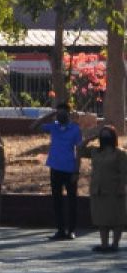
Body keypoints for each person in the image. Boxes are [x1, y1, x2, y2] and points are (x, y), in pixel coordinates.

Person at [32, 102, 89, 241]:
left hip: (69, 169)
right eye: (58, 113)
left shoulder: (75, 129)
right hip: (55, 168)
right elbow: (33, 127)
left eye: (63, 112)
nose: (60, 115)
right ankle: (60, 230)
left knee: (72, 201)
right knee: (57, 201)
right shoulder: (54, 127)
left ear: (68, 113)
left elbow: (79, 151)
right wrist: (49, 115)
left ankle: (71, 230)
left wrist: (77, 170)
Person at [81, 126, 127, 252]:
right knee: (101, 218)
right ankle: (104, 245)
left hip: (114, 189)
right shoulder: (95, 152)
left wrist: (122, 187)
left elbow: (124, 172)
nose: (105, 137)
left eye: (107, 135)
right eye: (103, 135)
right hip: (98, 189)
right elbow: (79, 149)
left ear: (113, 137)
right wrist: (90, 138)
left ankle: (115, 245)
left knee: (117, 218)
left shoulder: (120, 153)